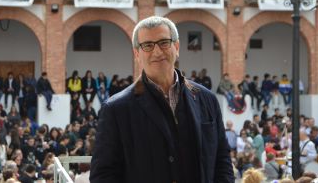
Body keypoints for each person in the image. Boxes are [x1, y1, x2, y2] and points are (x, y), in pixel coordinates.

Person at [90, 16, 234, 182]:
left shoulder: (207, 99)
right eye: (148, 45)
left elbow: (222, 161)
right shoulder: (116, 109)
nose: (157, 52)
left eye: (164, 42)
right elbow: (103, 175)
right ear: (137, 53)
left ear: (177, 47)